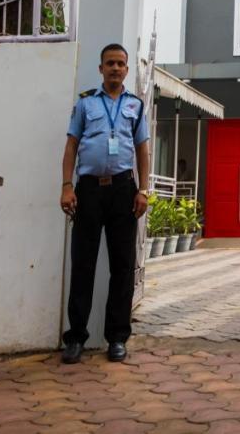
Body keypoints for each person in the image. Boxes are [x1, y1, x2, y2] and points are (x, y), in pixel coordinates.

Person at [60, 43, 151, 364]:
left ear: (127, 70)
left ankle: (116, 338)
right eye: (110, 63)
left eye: (121, 63)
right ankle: (76, 339)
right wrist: (67, 186)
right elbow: (71, 146)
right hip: (88, 192)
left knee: (123, 267)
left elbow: (142, 150)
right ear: (101, 69)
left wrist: (144, 190)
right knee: (83, 264)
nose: (115, 68)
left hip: (123, 192)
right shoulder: (86, 104)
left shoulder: (136, 106)